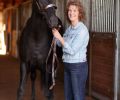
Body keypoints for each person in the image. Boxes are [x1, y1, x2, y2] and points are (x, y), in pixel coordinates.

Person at [52, 0, 89, 100]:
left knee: (78, 97)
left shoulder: (82, 30)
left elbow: (72, 50)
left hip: (77, 66)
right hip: (67, 65)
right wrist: (55, 36)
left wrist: (59, 37)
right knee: (68, 96)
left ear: (79, 13)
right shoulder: (69, 29)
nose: (71, 13)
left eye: (74, 10)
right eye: (69, 10)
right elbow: (60, 44)